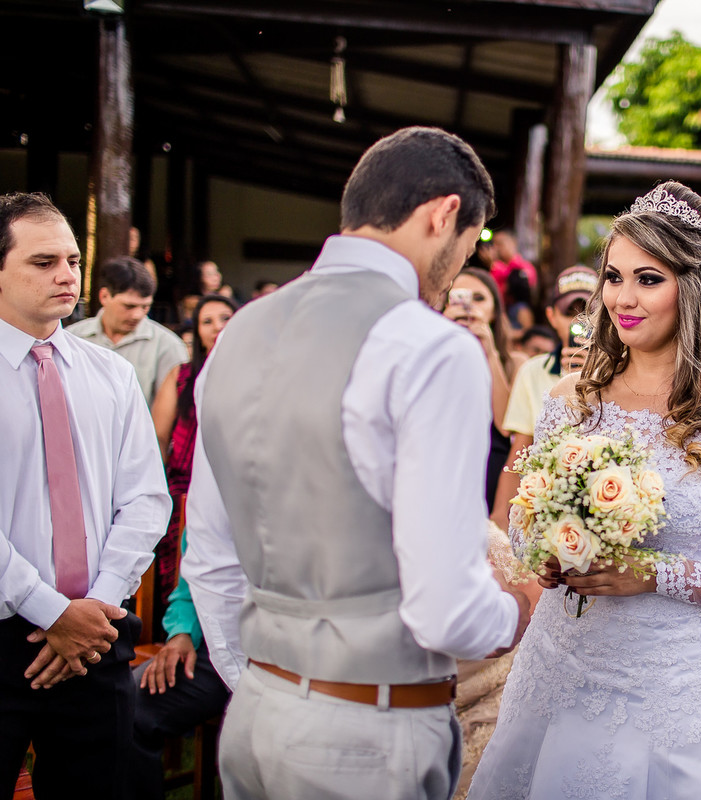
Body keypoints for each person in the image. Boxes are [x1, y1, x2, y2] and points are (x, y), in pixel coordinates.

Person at [181, 127, 531, 800]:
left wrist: (265, 683)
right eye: (469, 246)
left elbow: (211, 556)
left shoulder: (238, 334)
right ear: (444, 214)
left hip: (254, 715)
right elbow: (445, 612)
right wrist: (523, 605)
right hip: (369, 735)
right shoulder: (431, 347)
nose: (459, 268)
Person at [468, 181, 701, 799]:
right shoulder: (570, 402)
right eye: (613, 277)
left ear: (691, 288)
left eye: (648, 279)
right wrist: (544, 551)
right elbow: (523, 519)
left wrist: (653, 573)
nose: (623, 298)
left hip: (675, 684)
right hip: (562, 666)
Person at [0, 192, 171, 799]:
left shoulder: (111, 373)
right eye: (44, 262)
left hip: (99, 630)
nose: (67, 276)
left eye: (73, 260)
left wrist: (92, 611)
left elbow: (147, 499)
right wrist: (51, 613)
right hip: (3, 632)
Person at [148, 294, 238, 640]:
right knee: (175, 575)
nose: (217, 327)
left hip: (228, 489)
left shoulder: (252, 374)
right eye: (207, 321)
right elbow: (158, 437)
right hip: (181, 490)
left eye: (225, 318)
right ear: (197, 332)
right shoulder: (182, 377)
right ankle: (172, 638)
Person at [488, 264, 598, 530]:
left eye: (590, 310)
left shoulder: (627, 370)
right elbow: (520, 452)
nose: (579, 320)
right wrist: (499, 520)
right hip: (546, 510)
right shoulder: (532, 371)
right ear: (551, 316)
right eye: (569, 311)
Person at [130, 535, 231, 800]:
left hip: (289, 658)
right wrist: (181, 632)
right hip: (214, 650)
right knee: (130, 705)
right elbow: (188, 591)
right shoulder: (211, 496)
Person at [442, 267, 526, 511]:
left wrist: (489, 353)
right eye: (458, 298)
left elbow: (506, 425)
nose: (468, 307)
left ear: (494, 309)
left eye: (478, 298)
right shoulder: (431, 357)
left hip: (492, 471)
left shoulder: (515, 362)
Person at [67, 255, 188, 406]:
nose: (138, 315)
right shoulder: (72, 337)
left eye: (145, 307)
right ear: (104, 296)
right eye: (129, 306)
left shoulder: (168, 346)